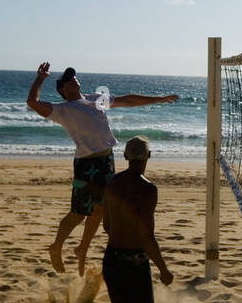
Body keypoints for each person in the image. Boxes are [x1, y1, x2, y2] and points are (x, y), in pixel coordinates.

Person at [26, 63, 178, 274]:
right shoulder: (61, 110)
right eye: (68, 79)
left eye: (74, 76)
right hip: (86, 164)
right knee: (79, 213)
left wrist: (159, 99)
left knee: (100, 210)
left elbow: (128, 100)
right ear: (63, 90)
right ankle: (56, 246)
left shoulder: (96, 99)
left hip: (106, 161)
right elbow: (32, 102)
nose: (73, 78)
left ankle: (82, 249)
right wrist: (40, 78)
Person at [91, 136, 172, 303]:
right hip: (135, 264)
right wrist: (163, 268)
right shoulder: (148, 190)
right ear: (148, 157)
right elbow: (147, 236)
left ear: (126, 157)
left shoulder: (112, 183)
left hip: (112, 259)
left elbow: (106, 227)